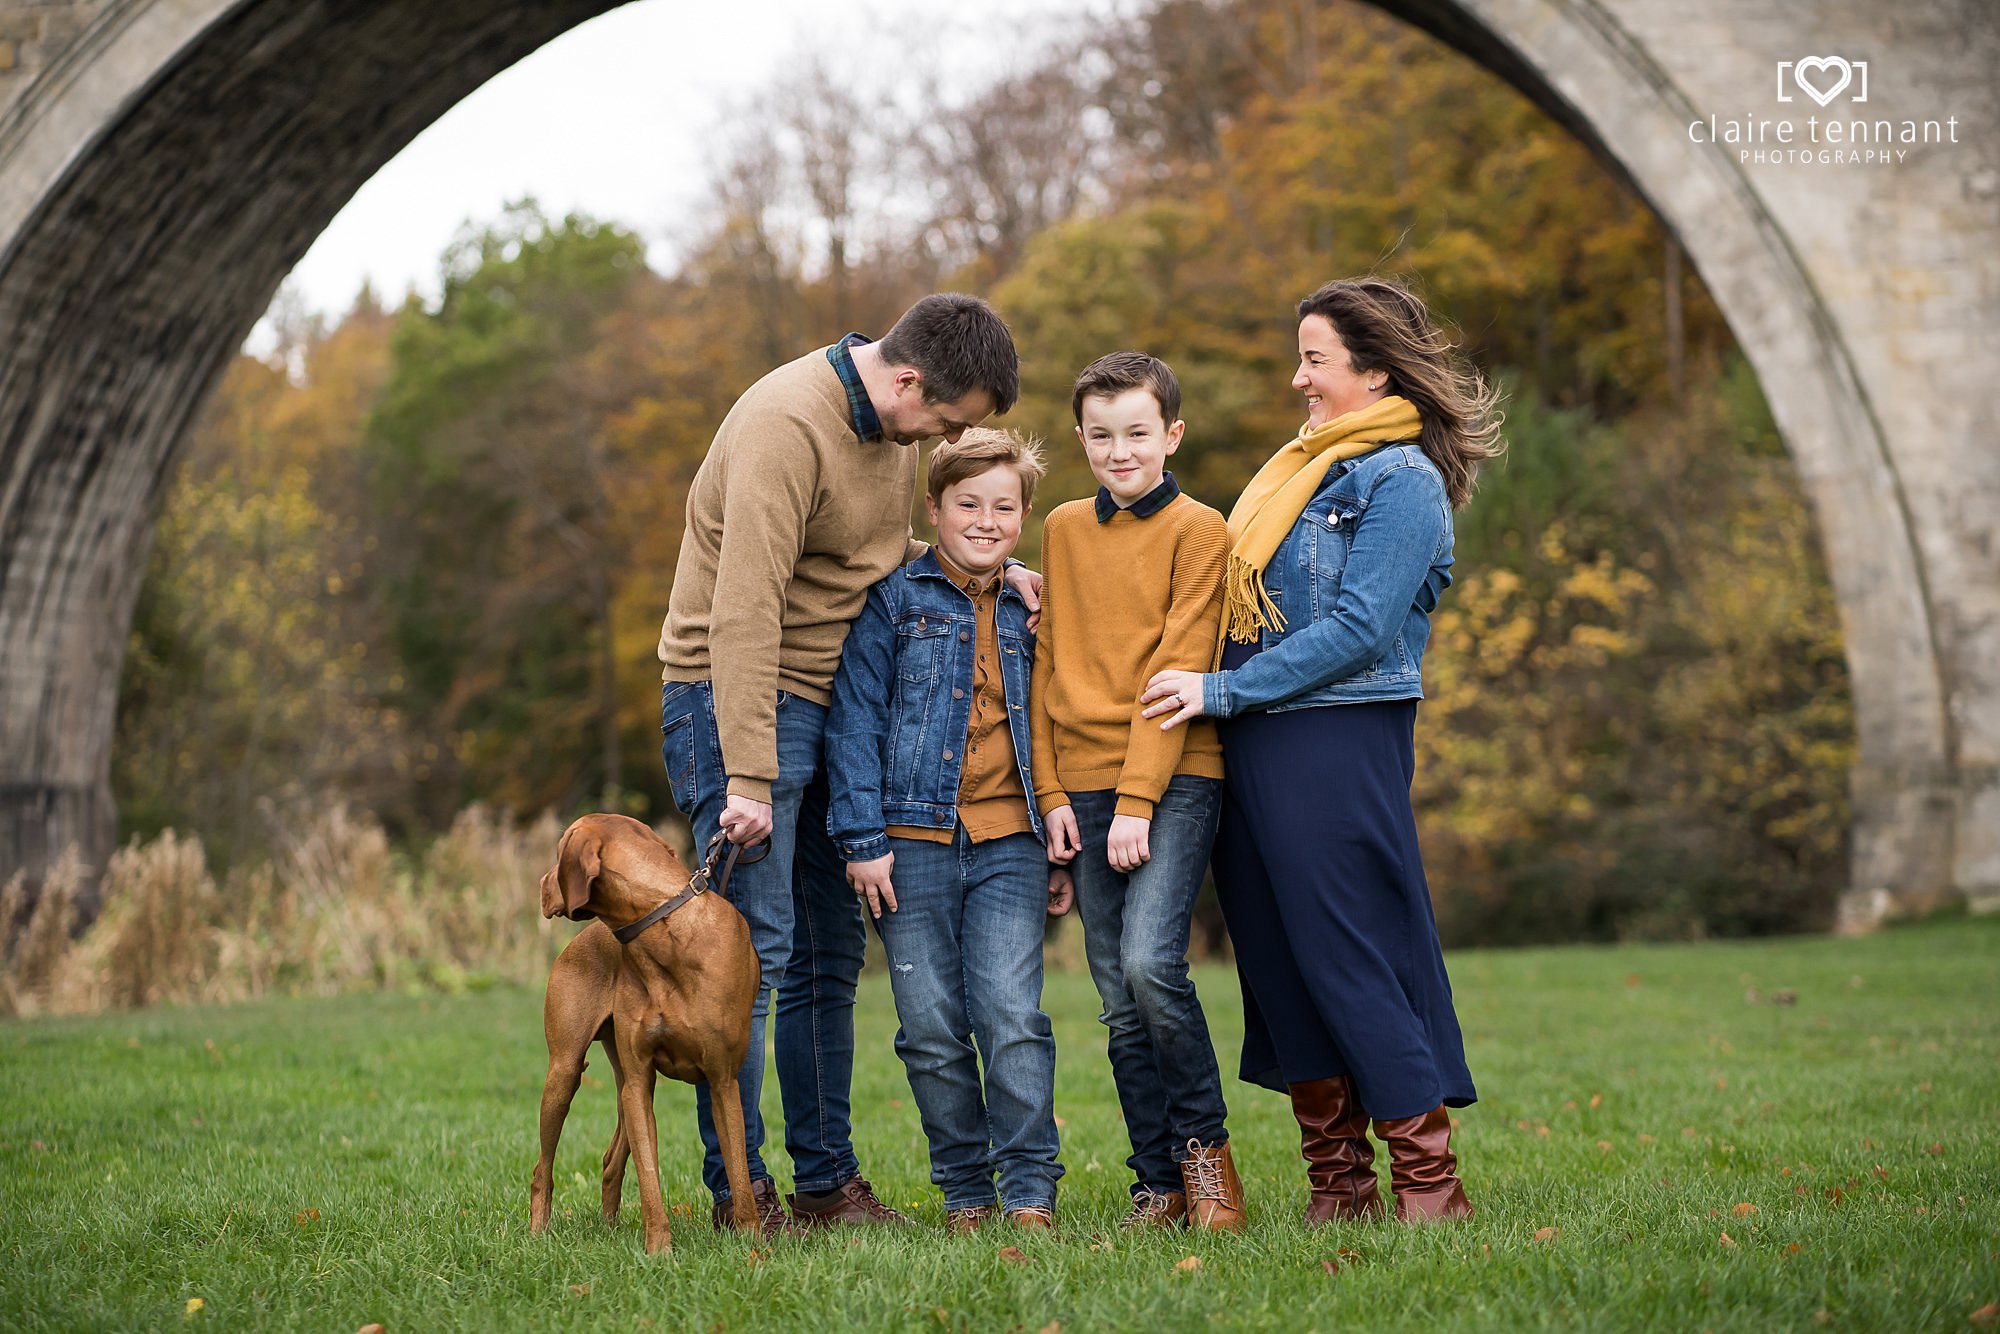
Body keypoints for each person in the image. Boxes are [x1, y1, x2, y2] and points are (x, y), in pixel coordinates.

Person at [657, 294, 1030, 1232]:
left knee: (829, 959)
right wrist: (747, 774)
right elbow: (745, 605)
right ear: (907, 381)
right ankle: (741, 1196)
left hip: (829, 703)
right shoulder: (787, 426)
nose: (944, 440)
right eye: (947, 422)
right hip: (735, 700)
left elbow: (861, 558)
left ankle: (826, 1186)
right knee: (755, 953)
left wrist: (984, 569)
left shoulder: (894, 430)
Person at [1141, 277, 1500, 1223]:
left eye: (1315, 359)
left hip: (1337, 738)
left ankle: (1430, 1185)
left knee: (1350, 950)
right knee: (1276, 954)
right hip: (1252, 743)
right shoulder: (1295, 474)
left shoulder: (1403, 482)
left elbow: (1360, 628)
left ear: (1376, 371)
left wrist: (1219, 689)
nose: (1297, 378)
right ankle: (1337, 1186)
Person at [824, 428, 1072, 1233]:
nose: (986, 520)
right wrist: (862, 840)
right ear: (933, 508)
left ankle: (1029, 1188)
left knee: (1010, 1015)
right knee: (929, 1026)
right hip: (910, 845)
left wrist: (1056, 832)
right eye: (968, 503)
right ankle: (967, 1193)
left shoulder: (1036, 607)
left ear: (1024, 515)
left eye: (1005, 507)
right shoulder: (895, 600)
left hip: (1012, 844)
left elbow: (1056, 720)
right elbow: (854, 722)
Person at [1030, 350, 1244, 1232]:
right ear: (1081, 439)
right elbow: (1045, 666)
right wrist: (1047, 793)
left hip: (1174, 777)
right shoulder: (1062, 528)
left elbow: (1179, 663)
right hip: (1078, 784)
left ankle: (1207, 1162)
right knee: (1117, 1000)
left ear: (1172, 435)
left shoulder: (1202, 529)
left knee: (1153, 968)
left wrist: (1137, 802)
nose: (1120, 452)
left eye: (1137, 434)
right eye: (1101, 436)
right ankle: (1153, 1183)